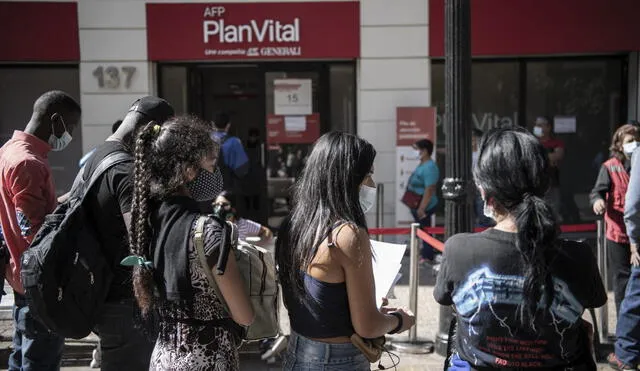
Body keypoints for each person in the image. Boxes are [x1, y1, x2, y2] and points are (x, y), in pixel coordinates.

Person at [435, 127, 606, 370]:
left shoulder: (458, 249)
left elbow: (448, 300)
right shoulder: (579, 256)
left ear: (484, 190)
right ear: (545, 184)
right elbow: (593, 301)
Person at [276, 132, 416, 371]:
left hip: (297, 351)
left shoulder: (293, 225)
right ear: (348, 178)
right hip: (337, 360)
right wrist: (401, 320)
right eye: (368, 174)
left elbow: (313, 302)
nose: (372, 184)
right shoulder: (347, 235)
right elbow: (368, 326)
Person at [127, 116, 254, 370]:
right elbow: (245, 315)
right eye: (210, 164)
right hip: (206, 360)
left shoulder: (145, 224)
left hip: (163, 358)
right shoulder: (208, 231)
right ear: (188, 170)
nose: (215, 174)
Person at [82, 96, 174, 371]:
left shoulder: (97, 156)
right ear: (153, 130)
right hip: (126, 303)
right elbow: (141, 240)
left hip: (104, 295)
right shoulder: (126, 170)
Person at [0, 90, 81, 370]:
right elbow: (33, 231)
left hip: (20, 276)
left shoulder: (10, 151)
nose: (69, 134)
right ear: (55, 120)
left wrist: (65, 200)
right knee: (38, 361)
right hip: (38, 280)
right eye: (69, 127)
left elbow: (23, 212)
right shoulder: (28, 163)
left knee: (22, 357)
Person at [590, 124, 639, 316]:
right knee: (622, 281)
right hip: (618, 235)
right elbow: (597, 192)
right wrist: (598, 201)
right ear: (619, 145)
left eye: (637, 140)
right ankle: (623, 324)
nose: (634, 144)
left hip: (638, 234)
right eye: (629, 141)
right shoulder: (610, 167)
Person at [608, 132, 640, 370]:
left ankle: (626, 356)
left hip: (631, 236)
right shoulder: (610, 166)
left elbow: (633, 204)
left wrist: (635, 240)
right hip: (616, 234)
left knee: (634, 296)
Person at [407, 139, 440, 263]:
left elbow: (429, 189)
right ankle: (425, 253)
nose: (415, 152)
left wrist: (422, 208)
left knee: (424, 230)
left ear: (425, 151)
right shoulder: (422, 164)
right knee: (422, 229)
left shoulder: (430, 167)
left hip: (425, 205)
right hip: (416, 203)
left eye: (417, 149)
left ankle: (427, 255)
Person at [533, 116, 564, 219]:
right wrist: (548, 158)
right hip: (535, 184)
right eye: (536, 125)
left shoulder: (556, 143)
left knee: (553, 212)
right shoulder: (532, 143)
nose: (537, 127)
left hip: (552, 182)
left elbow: (558, 156)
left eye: (540, 125)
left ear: (548, 127)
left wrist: (538, 158)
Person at [211, 112, 249, 194]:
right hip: (227, 188)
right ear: (228, 125)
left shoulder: (203, 141)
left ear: (212, 124)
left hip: (206, 189)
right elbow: (242, 169)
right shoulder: (234, 142)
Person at [472, 127, 494, 228]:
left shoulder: (484, 152)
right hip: (470, 186)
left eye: (473, 138)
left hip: (481, 186)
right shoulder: (465, 152)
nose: (472, 141)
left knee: (483, 213)